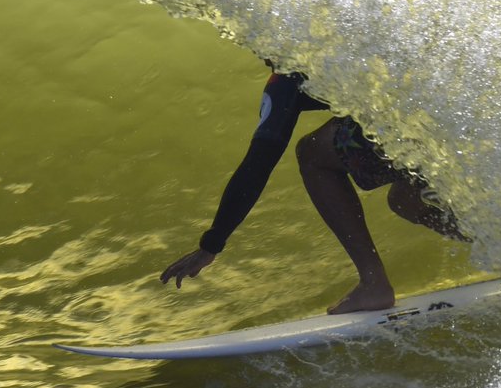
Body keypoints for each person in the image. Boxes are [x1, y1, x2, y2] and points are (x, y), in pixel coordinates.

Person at [160, 69, 466, 314]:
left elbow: (259, 161)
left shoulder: (287, 79)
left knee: (312, 154)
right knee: (405, 200)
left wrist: (211, 244)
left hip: (417, 118)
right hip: (457, 107)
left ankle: (374, 284)